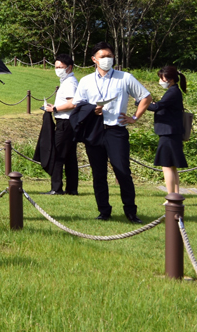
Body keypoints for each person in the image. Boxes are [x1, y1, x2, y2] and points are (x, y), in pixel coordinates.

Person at [75, 41, 151, 223]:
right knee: (98, 173)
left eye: (110, 56)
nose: (107, 59)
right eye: (103, 57)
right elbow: (78, 104)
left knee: (123, 171)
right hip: (94, 131)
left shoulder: (125, 77)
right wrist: (92, 110)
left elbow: (145, 97)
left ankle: (131, 212)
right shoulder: (85, 81)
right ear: (94, 59)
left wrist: (134, 117)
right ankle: (104, 211)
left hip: (116, 131)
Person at [43, 53, 79, 195]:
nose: (58, 69)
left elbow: (73, 103)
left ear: (69, 68)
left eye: (61, 67)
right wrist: (55, 106)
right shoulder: (67, 81)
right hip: (67, 121)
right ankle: (72, 189)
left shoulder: (70, 82)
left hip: (65, 122)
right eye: (56, 67)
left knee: (58, 154)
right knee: (70, 156)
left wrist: (55, 109)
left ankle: (56, 188)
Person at [149, 65, 188, 196]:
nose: (161, 81)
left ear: (170, 79)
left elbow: (157, 107)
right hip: (173, 133)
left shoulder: (172, 92)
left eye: (162, 78)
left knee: (166, 166)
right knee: (172, 166)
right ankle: (175, 195)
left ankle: (171, 196)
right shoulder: (174, 91)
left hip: (168, 133)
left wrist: (141, 103)